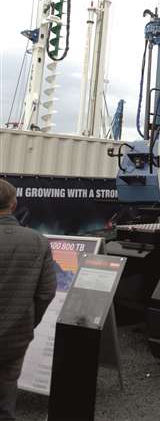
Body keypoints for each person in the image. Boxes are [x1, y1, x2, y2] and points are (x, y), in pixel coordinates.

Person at [0, 179, 57, 420]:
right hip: (14, 335)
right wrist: (27, 322)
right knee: (6, 390)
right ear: (13, 204)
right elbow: (46, 293)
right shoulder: (37, 241)